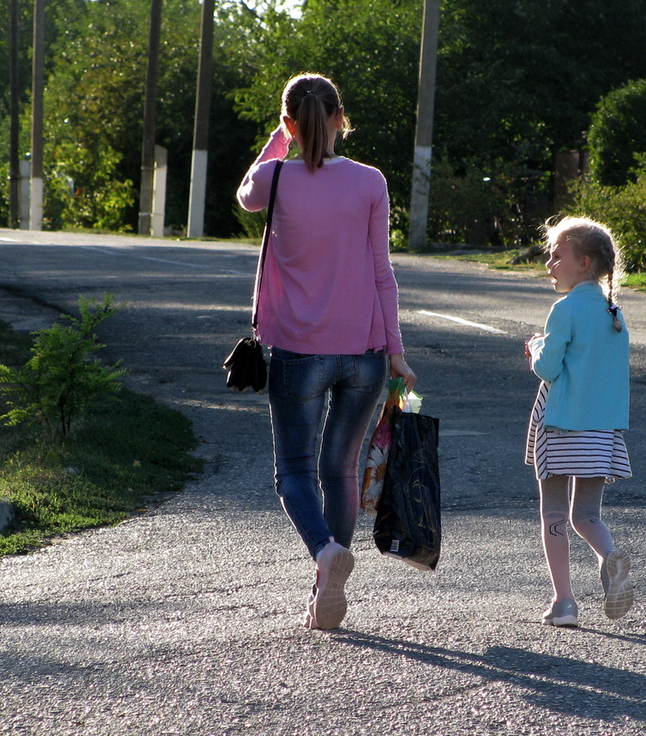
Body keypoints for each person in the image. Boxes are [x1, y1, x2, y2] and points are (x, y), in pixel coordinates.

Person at [236, 73, 416, 630]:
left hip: (296, 350)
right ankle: (325, 593)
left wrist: (279, 140)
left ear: (290, 122)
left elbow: (246, 194)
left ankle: (324, 554)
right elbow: (382, 273)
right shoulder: (370, 182)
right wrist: (396, 352)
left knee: (293, 468)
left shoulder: (277, 177)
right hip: (363, 352)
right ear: (341, 118)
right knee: (339, 468)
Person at [524, 216, 633, 627]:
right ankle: (610, 557)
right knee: (586, 515)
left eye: (556, 256)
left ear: (584, 262)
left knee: (553, 514)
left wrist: (535, 348)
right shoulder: (612, 313)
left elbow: (549, 369)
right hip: (602, 433)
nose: (549, 264)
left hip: (562, 427)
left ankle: (564, 603)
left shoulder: (565, 309)